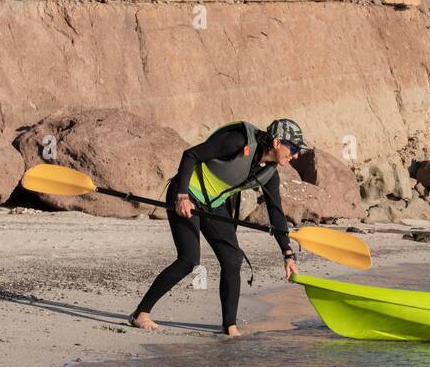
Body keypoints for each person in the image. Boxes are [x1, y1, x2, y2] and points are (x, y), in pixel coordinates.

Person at [130, 118, 306, 337]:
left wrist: (287, 254)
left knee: (233, 259)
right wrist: (182, 196)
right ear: (278, 142)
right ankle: (141, 313)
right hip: (187, 194)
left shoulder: (270, 174)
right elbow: (190, 155)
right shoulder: (237, 140)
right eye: (295, 148)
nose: (296, 155)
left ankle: (229, 326)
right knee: (188, 260)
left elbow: (276, 213)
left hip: (213, 204)